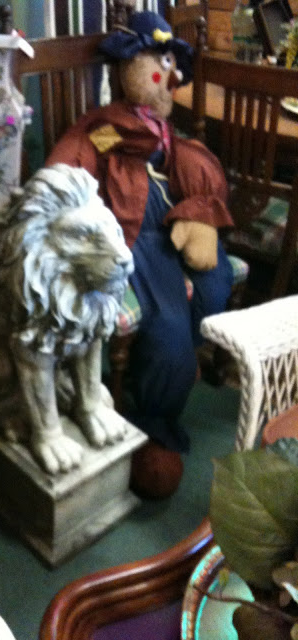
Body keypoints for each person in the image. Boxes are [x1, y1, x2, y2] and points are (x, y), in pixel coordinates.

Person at [45, 11, 234, 497]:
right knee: (168, 327)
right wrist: (56, 191)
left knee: (216, 283)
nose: (170, 78)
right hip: (137, 234)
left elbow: (184, 164)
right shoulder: (111, 130)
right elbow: (82, 151)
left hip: (174, 222)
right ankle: (154, 422)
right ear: (128, 69)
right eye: (159, 66)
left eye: (172, 66)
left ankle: (179, 363)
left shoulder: (163, 130)